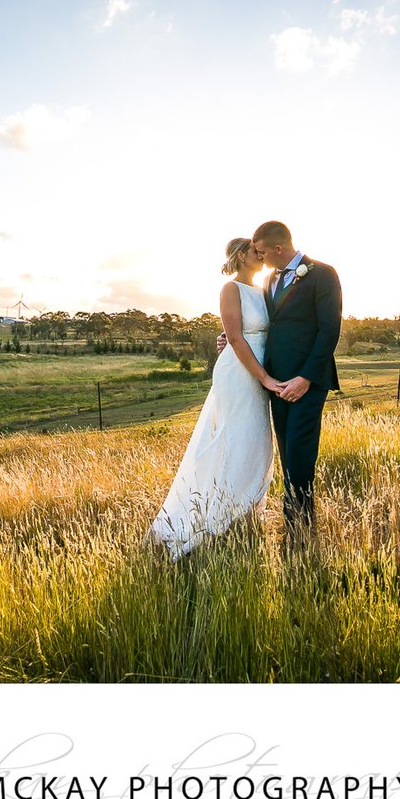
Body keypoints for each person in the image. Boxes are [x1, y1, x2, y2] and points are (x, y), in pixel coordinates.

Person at [148, 238, 287, 559]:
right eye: (256, 251)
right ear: (242, 256)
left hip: (257, 368)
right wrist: (263, 376)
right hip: (239, 374)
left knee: (257, 441)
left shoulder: (264, 288)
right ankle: (215, 518)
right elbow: (236, 337)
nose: (262, 255)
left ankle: (243, 515)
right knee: (235, 438)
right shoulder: (230, 289)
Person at [250, 221, 341, 544]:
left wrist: (305, 377)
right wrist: (229, 339)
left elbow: (329, 330)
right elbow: (266, 326)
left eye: (261, 252)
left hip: (307, 380)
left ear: (278, 248)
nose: (258, 258)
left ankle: (300, 530)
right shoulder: (268, 280)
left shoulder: (322, 274)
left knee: (301, 454)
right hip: (275, 382)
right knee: (287, 453)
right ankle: (296, 527)